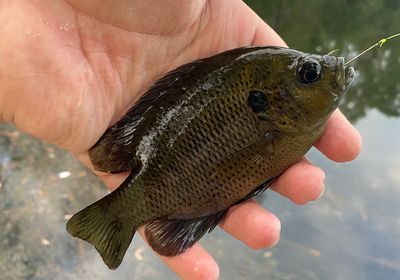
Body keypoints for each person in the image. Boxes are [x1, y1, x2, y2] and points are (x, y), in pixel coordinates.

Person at [0, 1, 361, 279]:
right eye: (309, 74)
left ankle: (117, 219)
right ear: (273, 98)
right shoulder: (281, 110)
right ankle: (115, 218)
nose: (322, 72)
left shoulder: (282, 105)